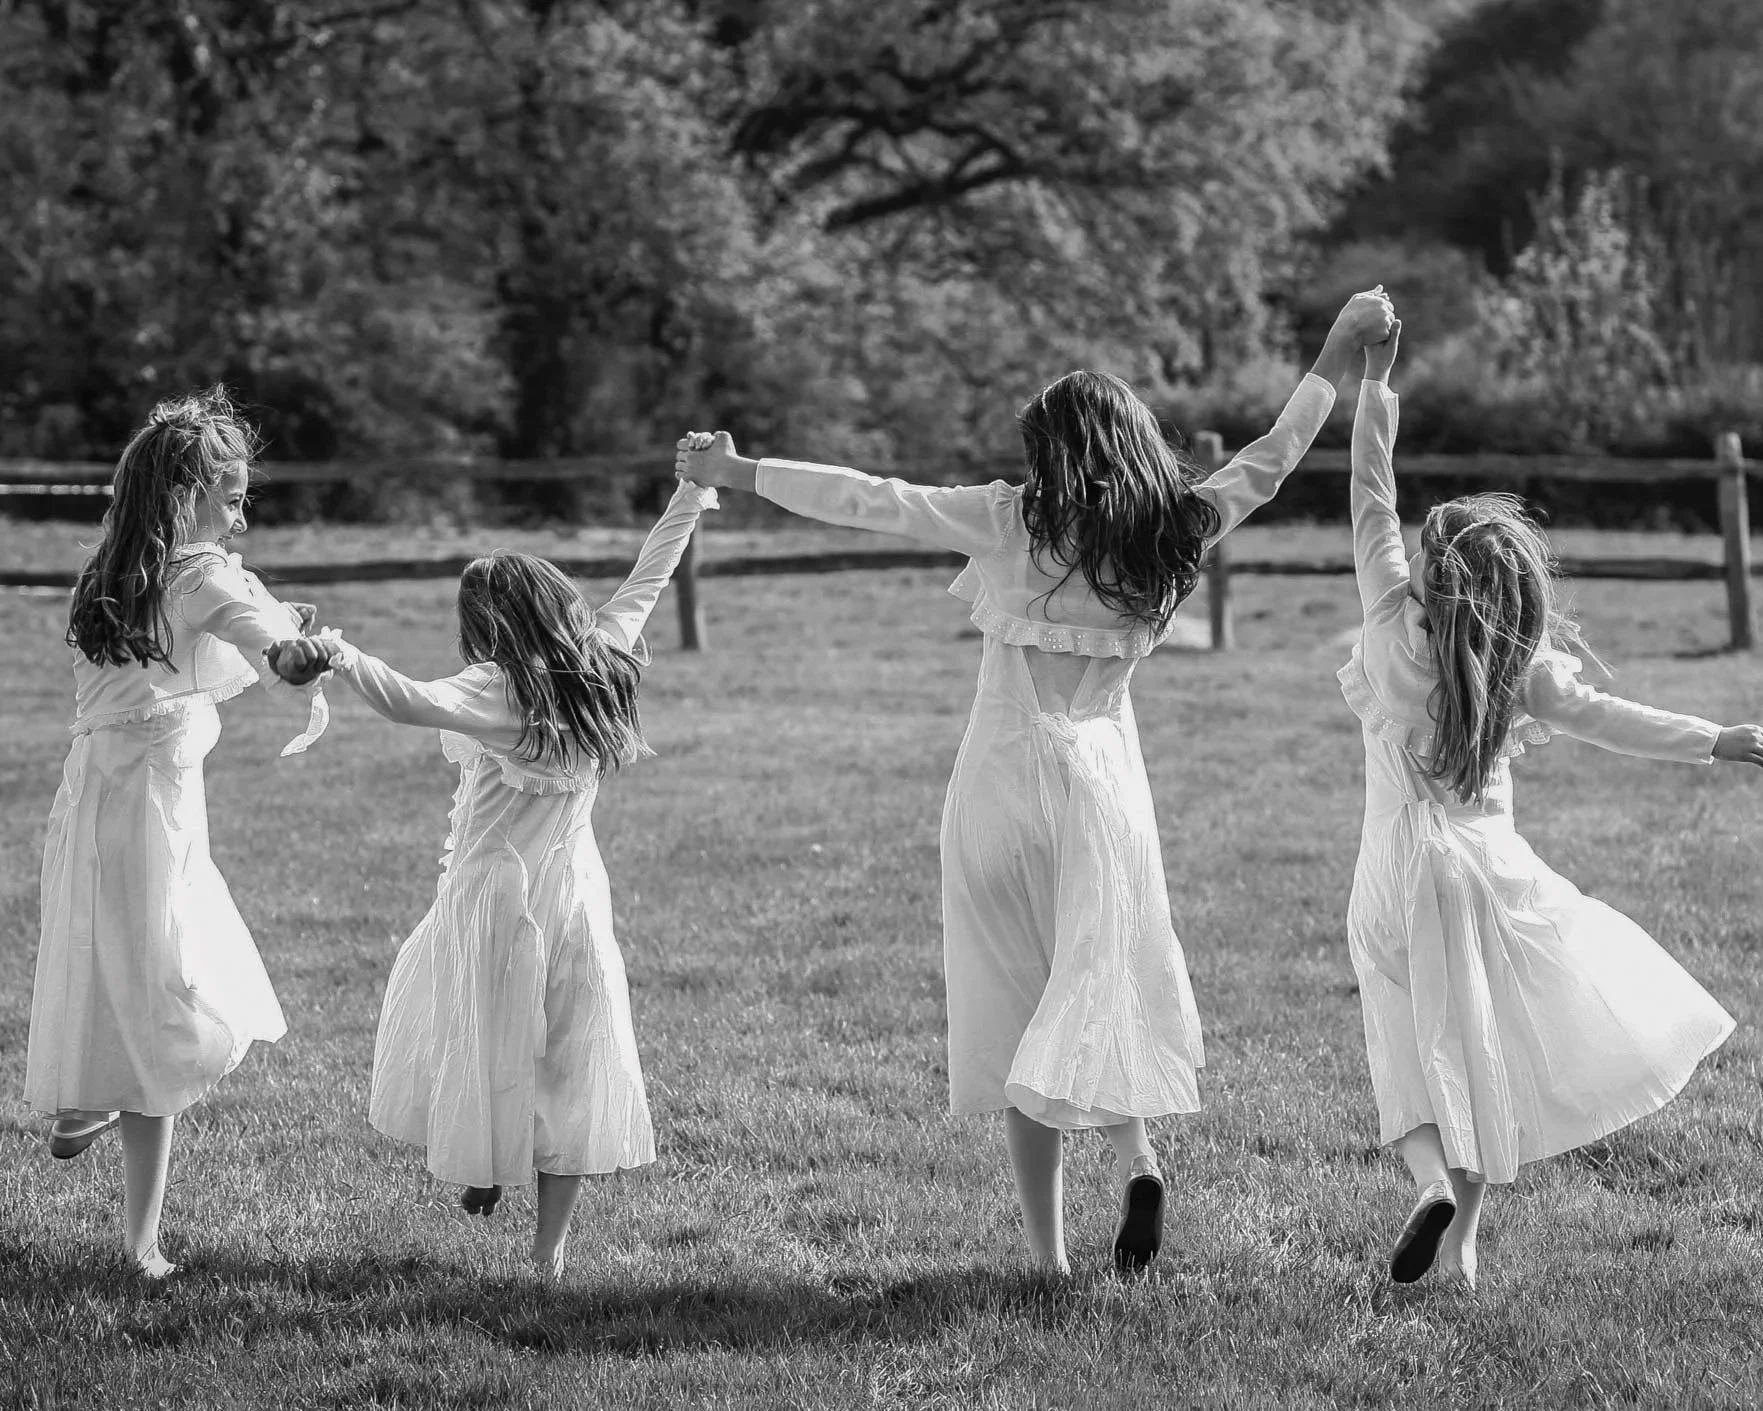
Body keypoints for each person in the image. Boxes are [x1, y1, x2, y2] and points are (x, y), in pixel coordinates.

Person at [674, 290, 1397, 1273]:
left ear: (1048, 450)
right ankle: (1136, 1157)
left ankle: (1049, 1258)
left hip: (999, 787)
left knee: (1014, 1008)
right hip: (1101, 793)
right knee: (1101, 984)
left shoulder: (1011, 522)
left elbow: (868, 496)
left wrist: (737, 471)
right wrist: (1340, 349)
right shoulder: (1177, 529)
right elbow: (1274, 452)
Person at [1341, 321, 1753, 1290]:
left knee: (1398, 1042)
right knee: (1480, 1048)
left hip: (1390, 869)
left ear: (1423, 570)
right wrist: (1716, 738)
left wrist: (1374, 380)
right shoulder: (1519, 664)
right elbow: (1613, 718)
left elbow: (1367, 484)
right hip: (1484, 872)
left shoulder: (1383, 613)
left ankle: (1425, 1184)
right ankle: (1465, 1235)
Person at [325, 478, 717, 1277]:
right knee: (570, 1063)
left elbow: (407, 700)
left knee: (479, 1034)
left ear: (488, 625)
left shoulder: (497, 687)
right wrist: (690, 491)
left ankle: (480, 1164)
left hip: (493, 901)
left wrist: (337, 653)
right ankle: (548, 1252)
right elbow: (651, 571)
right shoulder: (601, 659)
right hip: (572, 897)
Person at [25, 386, 329, 1278]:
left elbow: (236, 630)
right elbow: (248, 627)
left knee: (127, 978)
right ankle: (135, 1216)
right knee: (176, 1003)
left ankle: (95, 1116)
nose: (240, 517)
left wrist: (279, 637)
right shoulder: (196, 573)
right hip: (149, 821)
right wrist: (285, 651)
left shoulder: (107, 577)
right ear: (185, 494)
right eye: (230, 498)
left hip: (93, 810)